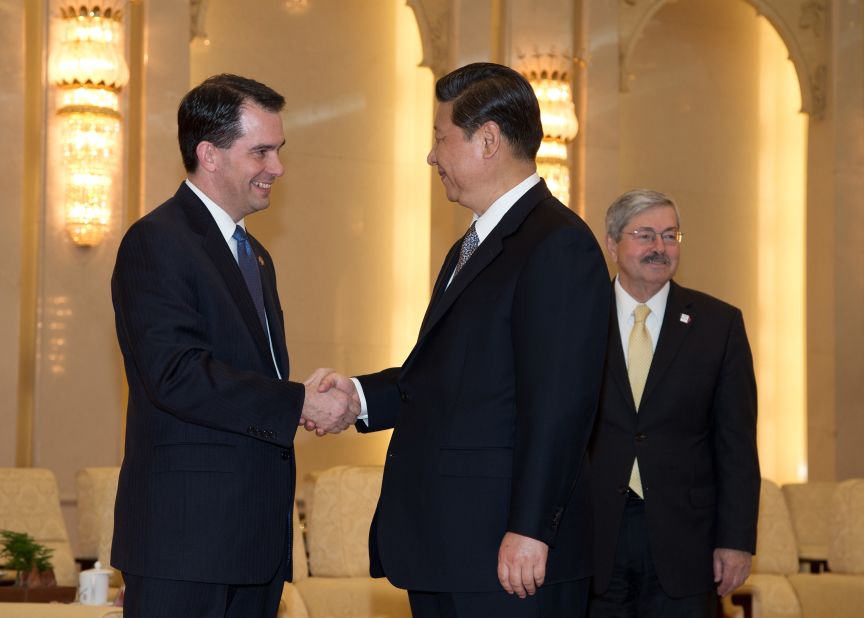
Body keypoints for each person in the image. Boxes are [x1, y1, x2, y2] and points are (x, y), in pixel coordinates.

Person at [308, 62, 611, 617]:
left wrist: (530, 529)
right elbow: (448, 378)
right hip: (453, 548)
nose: (431, 156)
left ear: (488, 140)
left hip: (509, 557)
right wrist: (357, 397)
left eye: (440, 137)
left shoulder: (557, 244)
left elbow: (561, 406)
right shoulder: (472, 246)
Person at [110, 74, 357, 618]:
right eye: (261, 152)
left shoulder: (256, 256)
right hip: (186, 542)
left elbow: (250, 378)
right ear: (210, 155)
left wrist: (300, 397)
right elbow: (176, 374)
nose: (277, 168)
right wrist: (298, 402)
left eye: (279, 150)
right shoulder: (157, 241)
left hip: (254, 542)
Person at [588, 189, 761, 617]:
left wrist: (736, 539)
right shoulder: (577, 319)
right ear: (612, 244)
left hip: (686, 542)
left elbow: (736, 443)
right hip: (593, 538)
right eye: (645, 235)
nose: (659, 248)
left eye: (670, 236)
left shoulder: (719, 325)